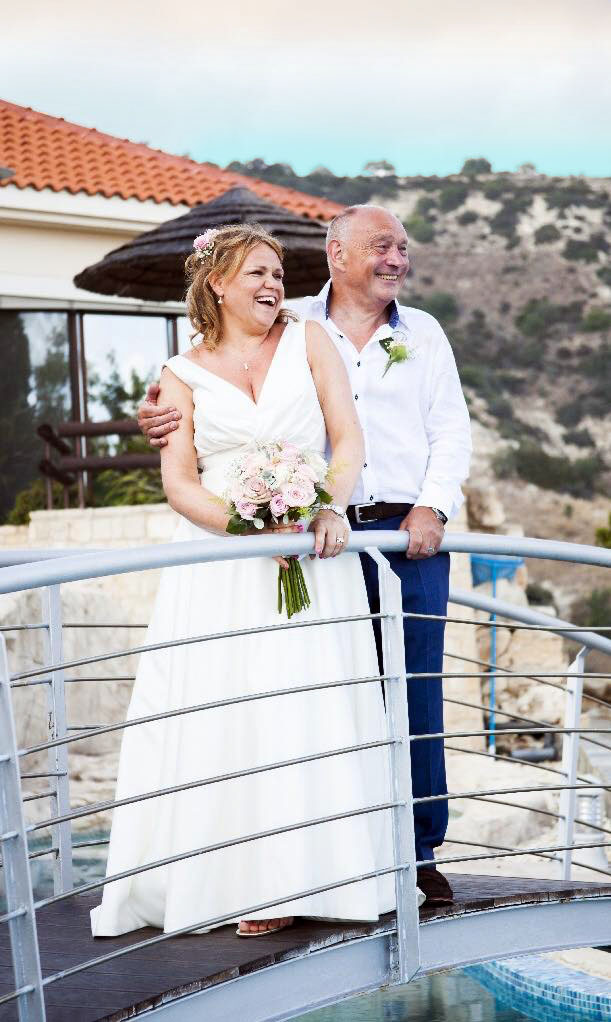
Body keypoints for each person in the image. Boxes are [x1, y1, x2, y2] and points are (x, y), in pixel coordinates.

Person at [138, 206, 472, 906]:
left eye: (402, 248)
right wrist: (164, 416)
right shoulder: (293, 327)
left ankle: (414, 851)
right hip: (314, 541)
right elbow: (206, 421)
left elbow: (450, 430)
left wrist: (432, 506)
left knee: (412, 693)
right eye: (382, 246)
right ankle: (307, 856)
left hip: (397, 534)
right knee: (328, 694)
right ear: (338, 253)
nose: (396, 259)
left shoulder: (419, 335)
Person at [91, 223, 412, 942]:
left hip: (309, 553)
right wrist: (249, 530)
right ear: (216, 284)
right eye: (257, 273)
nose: (273, 285)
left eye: (278, 274)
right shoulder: (179, 376)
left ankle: (318, 874)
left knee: (303, 709)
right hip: (220, 567)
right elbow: (177, 485)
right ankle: (232, 877)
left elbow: (347, 437)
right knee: (227, 711)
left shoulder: (310, 342)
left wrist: (323, 506)